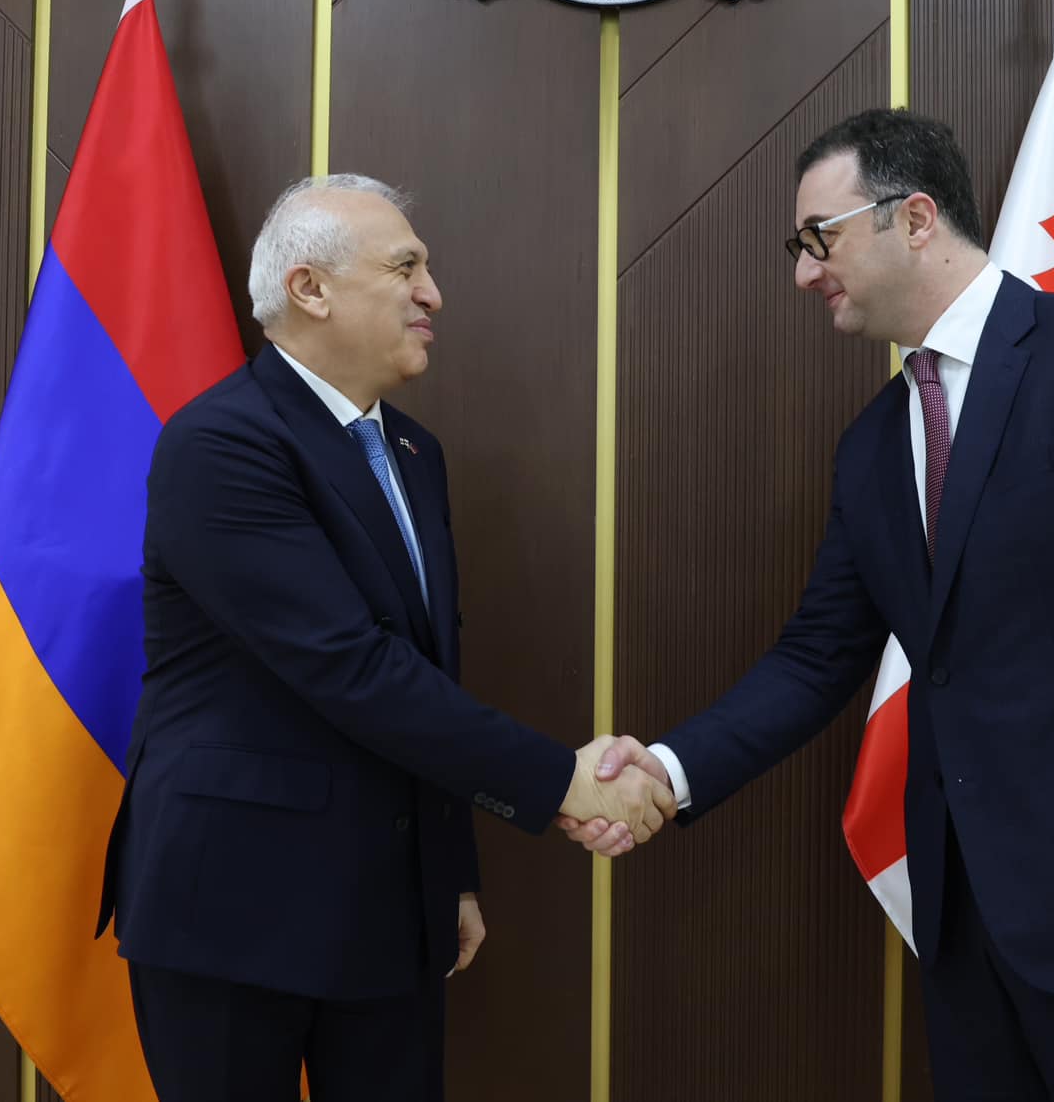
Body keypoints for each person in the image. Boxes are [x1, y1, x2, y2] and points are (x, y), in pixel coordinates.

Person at [568, 110, 1054, 1101]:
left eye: (817, 238)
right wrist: (667, 767)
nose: (803, 272)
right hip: (963, 927)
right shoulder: (872, 444)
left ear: (913, 218)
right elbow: (816, 657)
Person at [97, 175, 672, 1102]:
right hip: (233, 911)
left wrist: (448, 876)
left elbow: (424, 669)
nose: (432, 294)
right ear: (310, 289)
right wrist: (560, 781)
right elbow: (350, 667)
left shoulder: (413, 452)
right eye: (406, 268)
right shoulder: (222, 443)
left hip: (387, 910)